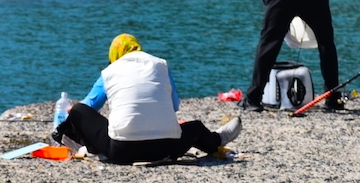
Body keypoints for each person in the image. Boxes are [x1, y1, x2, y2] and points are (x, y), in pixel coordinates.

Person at [52, 34, 242, 166]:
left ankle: (89, 147)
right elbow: (175, 106)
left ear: (114, 55)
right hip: (167, 147)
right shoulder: (160, 65)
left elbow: (89, 107)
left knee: (78, 111)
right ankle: (217, 140)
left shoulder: (111, 71)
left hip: (121, 151)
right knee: (196, 127)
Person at [240, 0, 347, 112]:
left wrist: (279, 21)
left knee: (268, 44)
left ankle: (253, 100)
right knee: (326, 42)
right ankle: (333, 98)